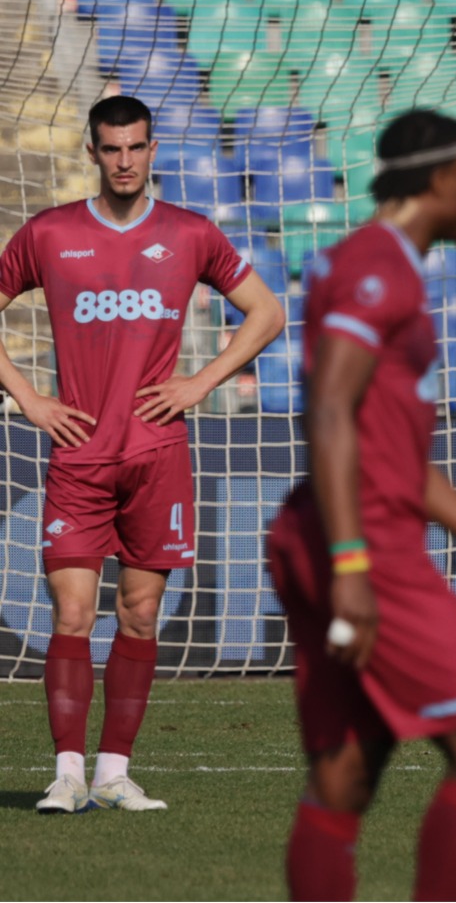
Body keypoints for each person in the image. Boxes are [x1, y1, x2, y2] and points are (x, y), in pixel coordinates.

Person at [266, 110, 456, 901]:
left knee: (347, 772)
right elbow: (329, 411)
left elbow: (392, 450)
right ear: (440, 179)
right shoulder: (378, 268)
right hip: (363, 544)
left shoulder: (379, 264)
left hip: (332, 532)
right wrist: (351, 565)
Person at [0, 95, 286, 815]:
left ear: (153, 149)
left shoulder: (190, 233)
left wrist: (201, 382)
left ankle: (113, 774)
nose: (124, 161)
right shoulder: (49, 233)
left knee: (139, 614)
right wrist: (28, 398)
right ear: (93, 152)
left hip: (158, 454)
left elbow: (268, 311)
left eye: (135, 147)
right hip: (79, 454)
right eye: (111, 148)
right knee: (71, 615)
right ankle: (67, 775)